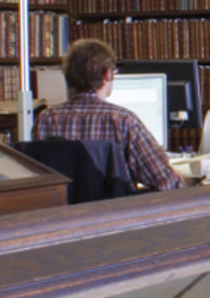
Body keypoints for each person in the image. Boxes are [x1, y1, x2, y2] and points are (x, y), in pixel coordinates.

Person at [35, 39, 182, 191]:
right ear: (107, 74)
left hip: (63, 213)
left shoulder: (46, 119)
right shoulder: (123, 120)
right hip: (114, 211)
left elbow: (39, 180)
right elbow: (165, 181)